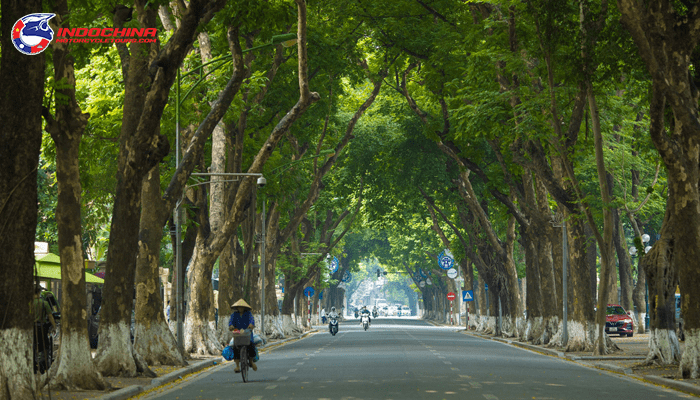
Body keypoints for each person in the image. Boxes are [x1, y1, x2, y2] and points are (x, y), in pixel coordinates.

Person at [228, 299, 257, 372]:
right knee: (235, 347)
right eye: (239, 307)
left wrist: (251, 325)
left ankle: (251, 361)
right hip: (237, 334)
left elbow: (252, 321)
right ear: (237, 308)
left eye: (242, 307)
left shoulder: (248, 314)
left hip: (247, 333)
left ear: (244, 308)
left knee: (251, 345)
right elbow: (230, 322)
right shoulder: (234, 315)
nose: (240, 309)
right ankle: (237, 366)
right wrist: (231, 326)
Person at [32, 286, 56, 370]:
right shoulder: (44, 303)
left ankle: (33, 364)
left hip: (31, 329)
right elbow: (50, 316)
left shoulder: (28, 303)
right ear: (39, 292)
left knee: (33, 345)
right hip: (41, 328)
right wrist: (54, 326)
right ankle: (43, 365)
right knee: (45, 346)